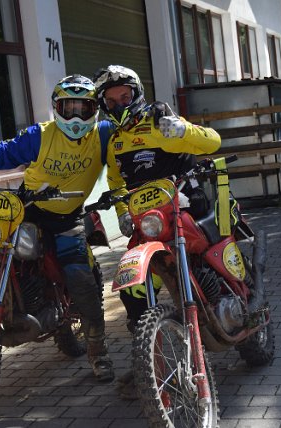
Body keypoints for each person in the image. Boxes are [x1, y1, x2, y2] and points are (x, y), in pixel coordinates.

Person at [0, 74, 127, 382]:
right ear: (56, 108)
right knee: (1, 257)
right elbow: (4, 153)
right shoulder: (40, 135)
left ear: (95, 109)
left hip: (67, 218)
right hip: (29, 211)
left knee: (81, 279)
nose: (76, 117)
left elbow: (133, 137)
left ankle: (99, 354)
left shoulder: (105, 134)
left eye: (83, 108)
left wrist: (158, 118)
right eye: (69, 108)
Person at [93, 64, 221, 396]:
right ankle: (151, 362)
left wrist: (182, 130)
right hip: (148, 220)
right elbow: (116, 182)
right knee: (130, 287)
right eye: (112, 101)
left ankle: (228, 304)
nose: (119, 105)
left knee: (208, 261)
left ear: (136, 93)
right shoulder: (116, 141)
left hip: (185, 205)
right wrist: (122, 211)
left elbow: (212, 142)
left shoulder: (160, 119)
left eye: (124, 97)